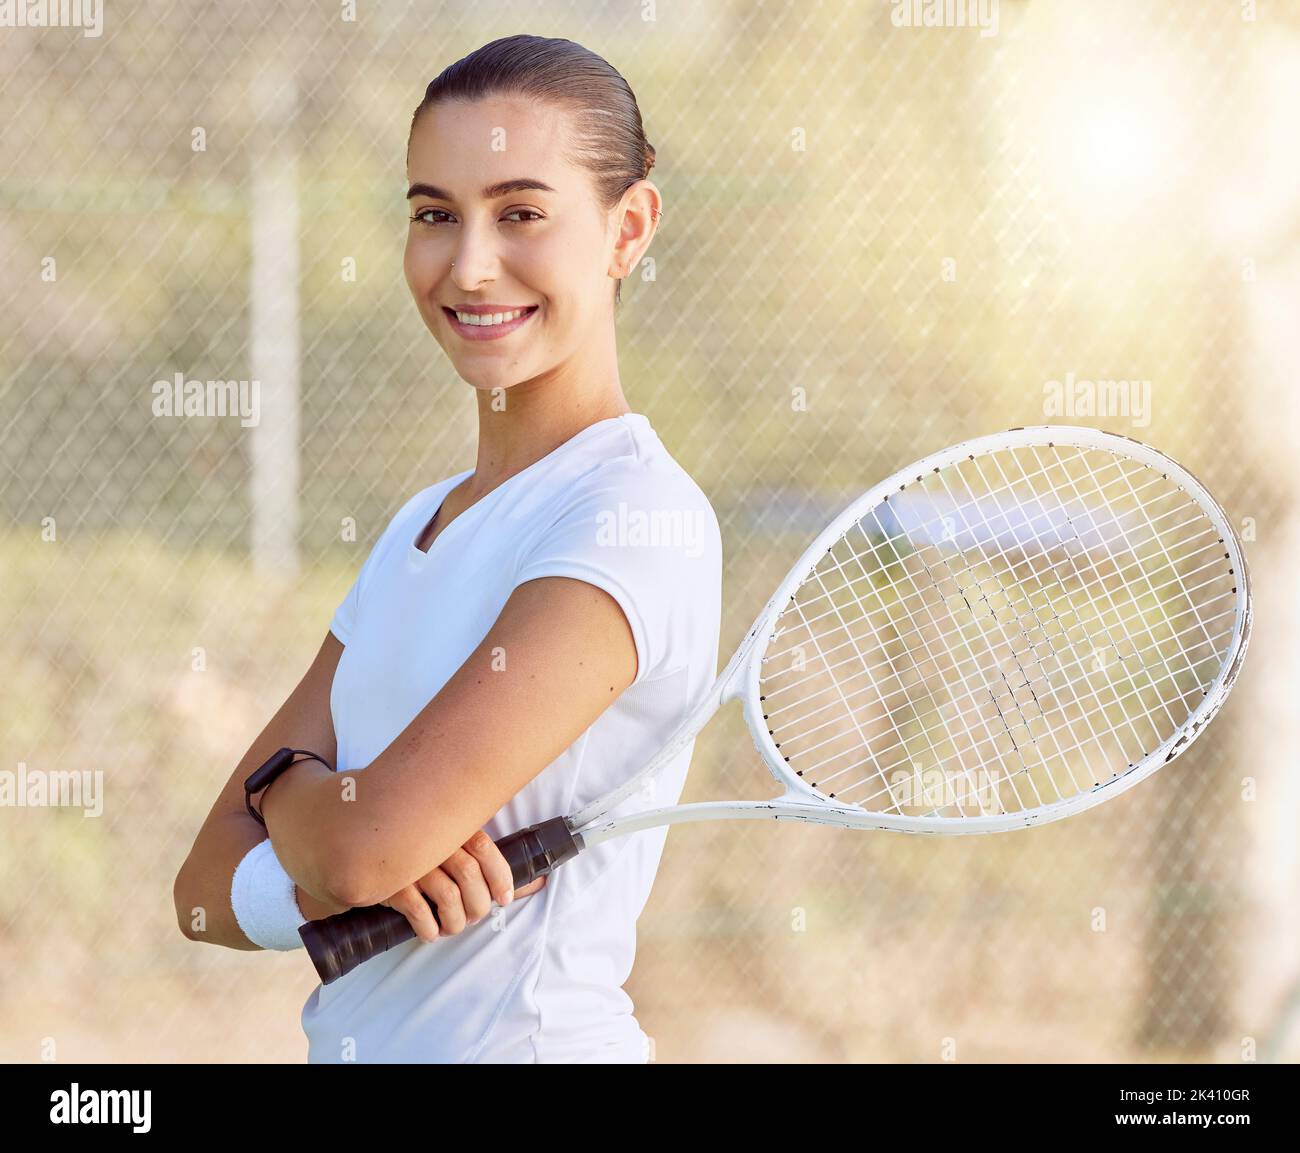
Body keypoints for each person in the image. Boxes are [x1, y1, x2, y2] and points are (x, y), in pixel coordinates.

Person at [174, 34, 722, 1064]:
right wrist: (327, 863)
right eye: (435, 214)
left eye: (520, 212)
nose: (469, 264)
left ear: (628, 227)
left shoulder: (633, 517)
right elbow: (201, 895)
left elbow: (363, 845)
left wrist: (287, 794)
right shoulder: (420, 522)